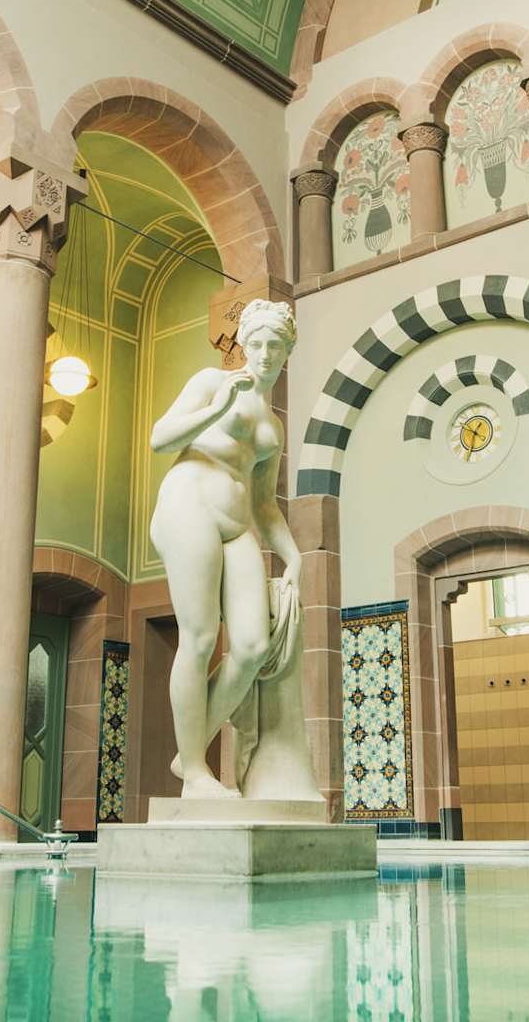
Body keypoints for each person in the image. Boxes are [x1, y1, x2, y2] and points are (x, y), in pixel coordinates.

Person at [148, 299, 309, 800]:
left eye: (275, 346)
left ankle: (187, 750)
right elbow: (159, 439)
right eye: (257, 343)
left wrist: (294, 555)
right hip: (189, 503)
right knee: (198, 638)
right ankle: (196, 772)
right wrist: (216, 410)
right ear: (242, 344)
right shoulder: (211, 383)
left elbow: (264, 503)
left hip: (239, 525)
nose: (265, 354)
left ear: (286, 353)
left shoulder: (273, 428)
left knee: (253, 646)